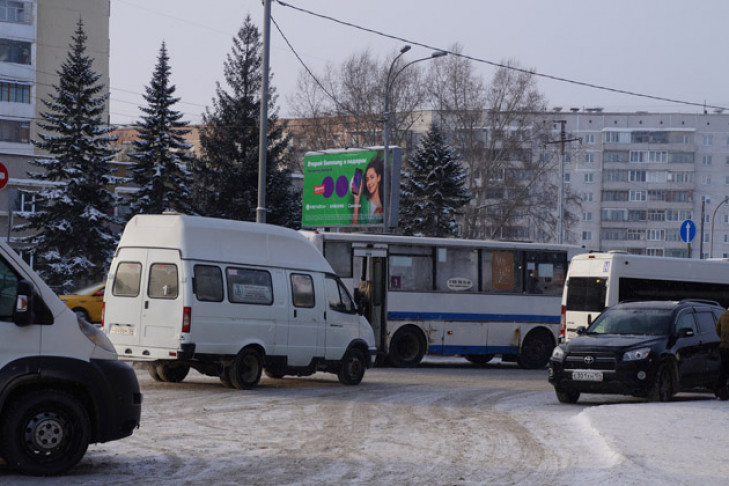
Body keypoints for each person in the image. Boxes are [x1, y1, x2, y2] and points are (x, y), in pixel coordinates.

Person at [352, 156, 384, 225]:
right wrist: (356, 199)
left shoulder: (385, 203)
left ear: (379, 177)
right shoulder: (363, 199)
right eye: (367, 179)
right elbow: (354, 227)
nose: (369, 183)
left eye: (372, 177)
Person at [715, 307, 729, 400]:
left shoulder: (723, 316)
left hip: (724, 347)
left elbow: (717, 330)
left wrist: (723, 339)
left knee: (724, 369)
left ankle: (721, 390)